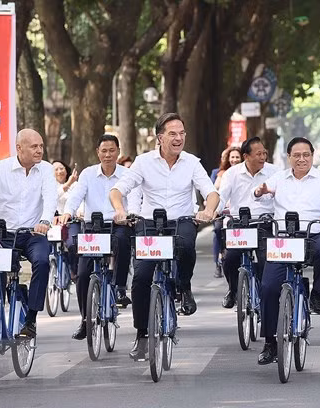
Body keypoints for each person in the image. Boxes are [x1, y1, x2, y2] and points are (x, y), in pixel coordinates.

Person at [110, 112, 219, 360]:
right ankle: (141, 334)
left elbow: (211, 192)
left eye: (182, 133)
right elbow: (119, 189)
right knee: (141, 278)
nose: (178, 138)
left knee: (186, 246)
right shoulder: (143, 162)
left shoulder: (192, 162)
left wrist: (209, 210)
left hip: (182, 221)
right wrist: (120, 210)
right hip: (149, 224)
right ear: (160, 138)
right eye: (172, 133)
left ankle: (184, 287)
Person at [253, 137, 320, 365]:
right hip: (283, 238)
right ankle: (270, 342)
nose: (302, 159)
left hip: (313, 234)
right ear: (289, 157)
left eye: (306, 155)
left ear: (312, 156)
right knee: (269, 287)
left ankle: (317, 295)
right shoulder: (280, 177)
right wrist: (260, 191)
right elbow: (262, 190)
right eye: (297, 155)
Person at [0, 129, 57, 338]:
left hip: (33, 234)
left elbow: (50, 196)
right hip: (2, 234)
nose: (39, 150)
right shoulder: (0, 169)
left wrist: (44, 221)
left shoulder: (45, 169)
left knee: (42, 262)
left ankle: (31, 319)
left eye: (41, 146)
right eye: (34, 146)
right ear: (19, 148)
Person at [58, 135, 141, 340]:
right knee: (83, 272)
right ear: (98, 152)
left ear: (118, 151)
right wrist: (68, 211)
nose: (107, 155)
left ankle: (120, 288)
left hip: (118, 224)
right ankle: (85, 320)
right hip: (92, 227)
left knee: (122, 241)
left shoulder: (127, 174)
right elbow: (76, 195)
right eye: (104, 151)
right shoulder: (87, 174)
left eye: (112, 150)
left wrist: (130, 215)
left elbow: (134, 198)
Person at [217, 137, 278, 308]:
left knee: (267, 259)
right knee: (229, 259)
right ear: (246, 156)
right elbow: (222, 198)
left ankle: (265, 293)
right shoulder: (232, 174)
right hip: (238, 224)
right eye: (258, 154)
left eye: (264, 153)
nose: (262, 157)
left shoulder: (275, 172)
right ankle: (233, 290)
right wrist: (214, 211)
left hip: (264, 223)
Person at [212, 146, 243, 278]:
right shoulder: (221, 174)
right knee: (219, 229)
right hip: (224, 212)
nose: (235, 160)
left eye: (237, 157)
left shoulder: (247, 173)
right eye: (232, 157)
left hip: (241, 213)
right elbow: (215, 193)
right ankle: (219, 259)